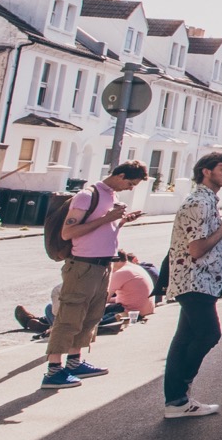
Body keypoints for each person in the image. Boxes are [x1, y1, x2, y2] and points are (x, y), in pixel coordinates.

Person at [42, 161, 146, 388]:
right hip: (82, 265)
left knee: (91, 315)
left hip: (103, 265)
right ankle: (53, 371)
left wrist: (122, 221)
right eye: (130, 182)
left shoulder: (112, 197)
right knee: (69, 315)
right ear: (119, 175)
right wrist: (107, 219)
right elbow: (69, 232)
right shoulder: (87, 196)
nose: (131, 188)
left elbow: (101, 230)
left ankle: (74, 362)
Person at [161, 152, 222, 419]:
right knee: (208, 334)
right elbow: (196, 249)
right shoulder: (199, 203)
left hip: (199, 280)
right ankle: (180, 388)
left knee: (183, 339)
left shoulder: (206, 200)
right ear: (206, 171)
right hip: (196, 281)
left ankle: (176, 400)